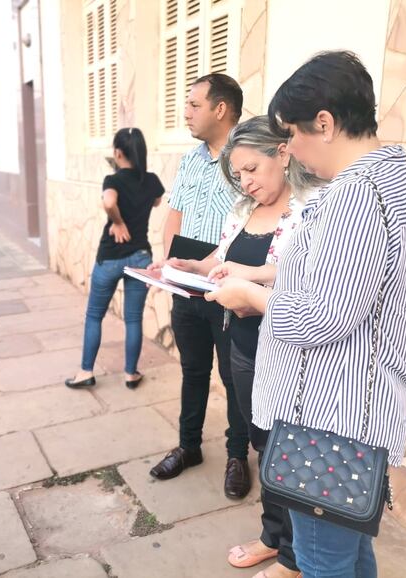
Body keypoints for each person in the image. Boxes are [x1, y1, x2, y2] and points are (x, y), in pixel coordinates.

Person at [206, 51, 406, 578]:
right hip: (354, 409)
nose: (290, 150)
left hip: (331, 415)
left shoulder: (357, 193)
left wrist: (253, 299)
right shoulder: (392, 175)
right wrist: (264, 276)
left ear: (324, 123)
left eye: (291, 136)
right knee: (348, 553)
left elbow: (325, 317)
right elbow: (346, 281)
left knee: (320, 561)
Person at [167, 115, 322, 577]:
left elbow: (315, 279)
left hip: (293, 351)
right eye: (238, 175)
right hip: (245, 345)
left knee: (293, 452)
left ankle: (295, 559)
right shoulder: (242, 208)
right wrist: (194, 266)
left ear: (282, 151)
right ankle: (273, 537)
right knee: (263, 444)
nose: (246, 182)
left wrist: (254, 285)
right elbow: (224, 256)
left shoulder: (314, 207)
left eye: (252, 169)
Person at [148, 73, 252, 501]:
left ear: (220, 109)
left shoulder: (249, 156)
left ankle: (235, 456)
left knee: (232, 376)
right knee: (192, 370)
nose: (186, 113)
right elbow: (175, 215)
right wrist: (170, 263)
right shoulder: (190, 160)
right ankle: (189, 446)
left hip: (227, 283)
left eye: (194, 105)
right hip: (185, 282)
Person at [64, 127, 164, 390]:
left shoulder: (114, 180)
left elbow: (109, 203)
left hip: (110, 258)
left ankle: (86, 371)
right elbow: (156, 202)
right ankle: (131, 374)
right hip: (140, 256)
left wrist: (118, 222)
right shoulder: (151, 180)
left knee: (95, 315)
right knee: (133, 319)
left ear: (118, 153)